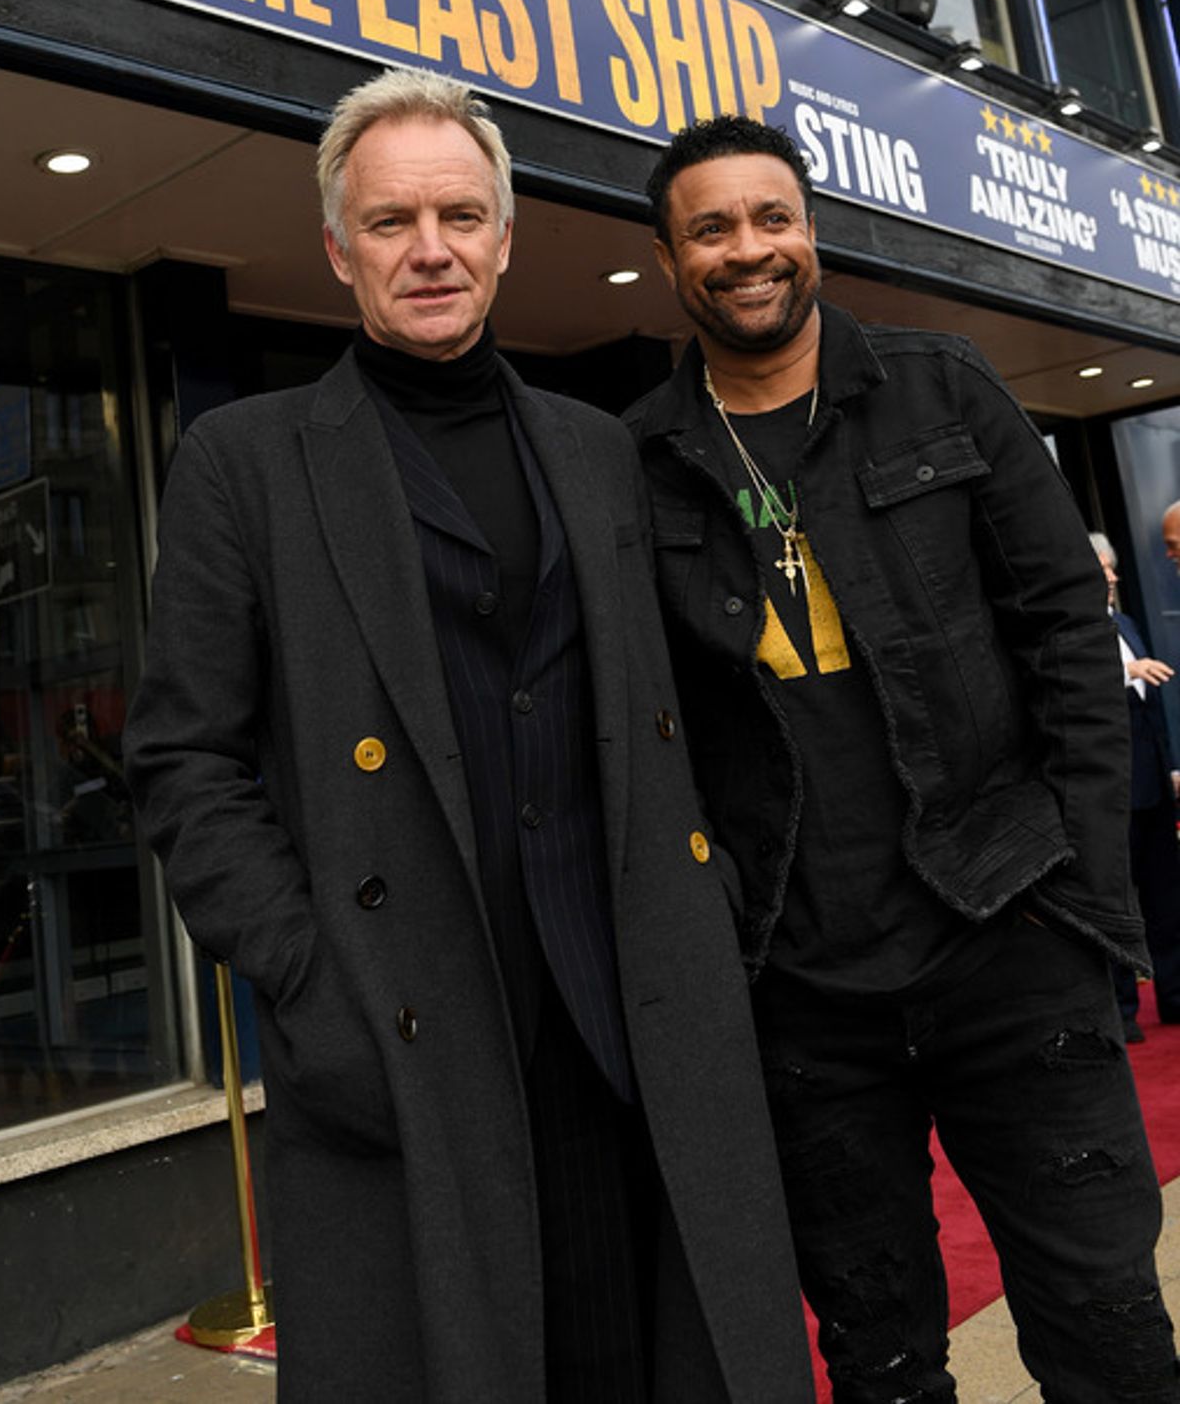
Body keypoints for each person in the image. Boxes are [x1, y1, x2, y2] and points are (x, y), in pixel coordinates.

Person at [123, 70, 811, 1404]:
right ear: (337, 249)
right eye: (388, 224)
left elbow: (704, 708)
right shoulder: (246, 462)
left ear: (507, 238)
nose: (428, 249)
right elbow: (183, 761)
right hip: (413, 1024)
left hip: (629, 1022)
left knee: (646, 1359)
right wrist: (308, 981)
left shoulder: (598, 451)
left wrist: (713, 905)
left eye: (459, 215)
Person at [624, 112, 1180, 1404]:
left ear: (812, 232)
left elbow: (1065, 637)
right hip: (802, 994)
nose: (747, 250)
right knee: (878, 1361)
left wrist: (1077, 894)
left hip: (1008, 944)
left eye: (771, 219)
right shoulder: (640, 461)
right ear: (669, 261)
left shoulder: (946, 388)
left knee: (1106, 1330)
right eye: (711, 229)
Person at [1090, 531, 1180, 1041]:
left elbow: (1151, 711)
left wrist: (1171, 766)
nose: (1114, 577)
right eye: (1104, 569)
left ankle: (1174, 996)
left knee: (1168, 901)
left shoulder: (1126, 622)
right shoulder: (1075, 635)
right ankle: (1122, 1011)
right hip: (1113, 795)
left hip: (1154, 788)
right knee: (1119, 905)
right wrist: (1126, 670)